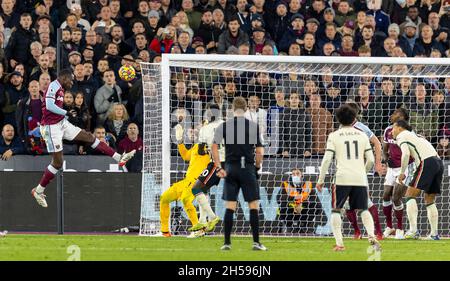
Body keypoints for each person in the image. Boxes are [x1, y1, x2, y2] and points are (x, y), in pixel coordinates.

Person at [31, 70, 136, 208]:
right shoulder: (54, 85)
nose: (72, 82)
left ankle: (119, 158)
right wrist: (65, 112)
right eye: (71, 79)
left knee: (88, 137)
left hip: (61, 123)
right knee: (57, 163)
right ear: (63, 77)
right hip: (51, 128)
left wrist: (64, 115)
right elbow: (50, 106)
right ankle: (38, 190)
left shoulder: (61, 89)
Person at [316, 104, 380, 252]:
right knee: (364, 209)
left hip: (341, 178)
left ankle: (340, 244)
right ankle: (371, 236)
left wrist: (320, 180)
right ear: (354, 118)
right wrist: (362, 172)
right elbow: (370, 160)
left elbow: (326, 160)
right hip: (359, 177)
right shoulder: (362, 135)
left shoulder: (334, 135)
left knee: (336, 210)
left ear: (338, 119)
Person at [212, 97, 266, 251]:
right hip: (247, 168)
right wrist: (256, 167)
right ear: (247, 108)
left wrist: (218, 168)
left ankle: (227, 243)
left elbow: (214, 147)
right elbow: (260, 152)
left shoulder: (224, 126)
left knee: (230, 206)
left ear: (232, 109)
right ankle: (256, 242)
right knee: (253, 206)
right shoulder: (253, 126)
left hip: (230, 168)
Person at [156, 121, 210, 238]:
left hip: (197, 181)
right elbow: (186, 156)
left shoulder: (208, 146)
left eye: (200, 127)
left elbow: (203, 151)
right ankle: (165, 232)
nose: (197, 129)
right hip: (187, 181)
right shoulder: (196, 146)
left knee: (185, 200)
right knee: (164, 199)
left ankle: (199, 229)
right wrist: (180, 141)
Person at [393, 120, 444, 240]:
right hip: (438, 162)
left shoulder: (402, 135)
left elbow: (405, 154)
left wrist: (401, 173)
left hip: (426, 162)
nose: (392, 132)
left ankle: (413, 230)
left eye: (393, 128)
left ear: (400, 128)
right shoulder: (415, 135)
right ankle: (434, 234)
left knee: (410, 194)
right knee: (429, 199)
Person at [345, 101, 383, 241]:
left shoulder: (362, 128)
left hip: (358, 169)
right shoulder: (342, 128)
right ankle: (357, 232)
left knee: (365, 202)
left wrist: (377, 163)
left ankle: (378, 232)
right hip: (345, 169)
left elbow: (377, 143)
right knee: (347, 203)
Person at [187, 104, 224, 234]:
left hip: (217, 163)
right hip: (230, 162)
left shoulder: (205, 128)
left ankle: (213, 217)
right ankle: (202, 222)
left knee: (196, 188)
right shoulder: (227, 125)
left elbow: (201, 151)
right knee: (203, 190)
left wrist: (207, 147)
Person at [381, 108, 413, 239]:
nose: (392, 115)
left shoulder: (409, 133)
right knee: (385, 195)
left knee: (396, 197)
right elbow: (385, 148)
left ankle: (400, 228)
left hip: (405, 168)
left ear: (402, 117)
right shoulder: (388, 130)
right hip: (391, 167)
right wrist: (385, 158)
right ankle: (389, 227)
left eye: (395, 113)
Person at [277, 168, 313, 234]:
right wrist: (295, 201)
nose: (295, 175)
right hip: (290, 207)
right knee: (283, 205)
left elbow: (313, 198)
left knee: (316, 206)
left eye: (297, 173)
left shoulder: (308, 184)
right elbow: (279, 198)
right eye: (293, 174)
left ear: (302, 175)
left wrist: (301, 203)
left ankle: (303, 226)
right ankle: (288, 226)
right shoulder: (286, 184)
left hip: (303, 207)